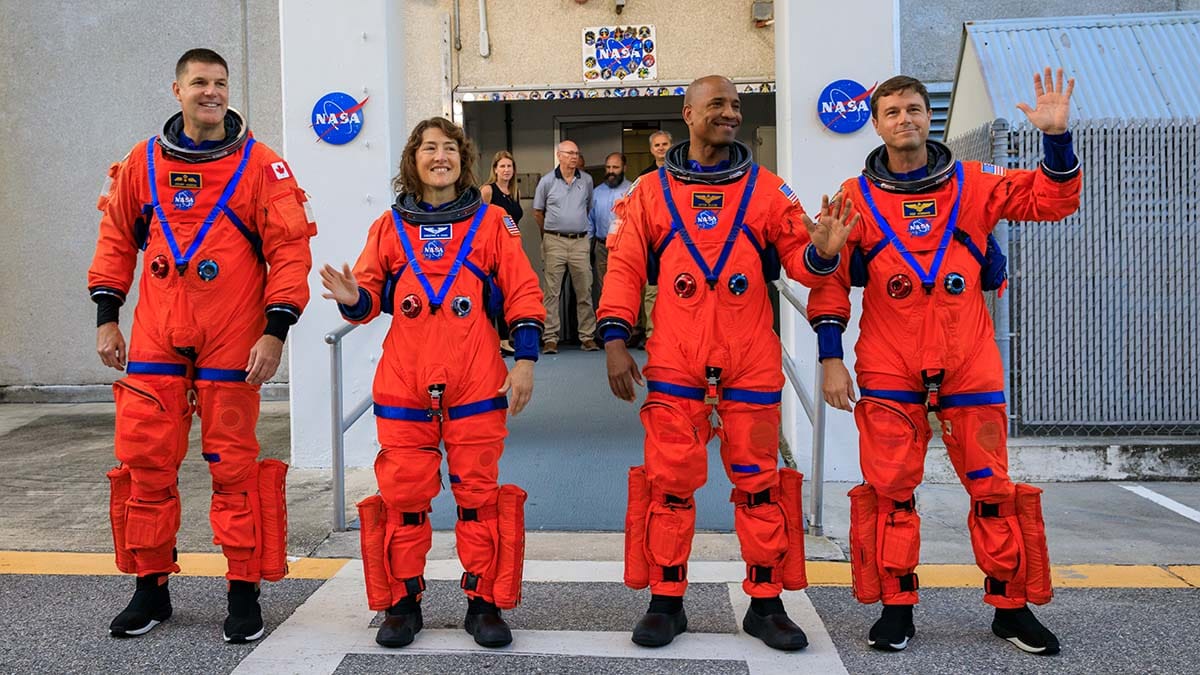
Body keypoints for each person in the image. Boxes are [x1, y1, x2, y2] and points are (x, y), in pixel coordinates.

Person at [800, 69, 1080, 656]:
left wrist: (1057, 140)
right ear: (875, 124)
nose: (905, 119)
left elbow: (1052, 200)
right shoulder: (853, 197)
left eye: (914, 109)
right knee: (891, 491)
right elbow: (828, 286)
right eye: (893, 112)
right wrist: (830, 360)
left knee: (992, 488)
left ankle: (1011, 607)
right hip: (888, 362)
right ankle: (897, 607)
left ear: (929, 117)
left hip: (968, 359)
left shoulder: (975, 184)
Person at [597, 75, 854, 652]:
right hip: (676, 360)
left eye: (736, 106)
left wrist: (823, 251)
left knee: (760, 485)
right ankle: (666, 602)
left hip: (749, 362)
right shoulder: (646, 193)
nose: (730, 114)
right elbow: (624, 269)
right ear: (687, 113)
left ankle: (766, 605)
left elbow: (802, 266)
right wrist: (615, 340)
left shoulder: (767, 190)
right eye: (718, 104)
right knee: (669, 486)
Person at [89, 48, 316, 642]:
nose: (210, 92)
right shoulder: (141, 163)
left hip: (233, 341)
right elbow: (116, 239)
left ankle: (243, 592)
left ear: (228, 90)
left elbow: (290, 254)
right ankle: (149, 590)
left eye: (219, 83)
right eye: (198, 83)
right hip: (157, 337)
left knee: (234, 468)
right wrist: (107, 318)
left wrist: (276, 331)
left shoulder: (263, 166)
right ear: (177, 90)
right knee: (145, 466)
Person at [320, 117, 545, 650]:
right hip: (405, 383)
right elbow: (368, 301)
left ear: (462, 159)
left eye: (448, 148)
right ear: (412, 160)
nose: (438, 156)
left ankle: (483, 603)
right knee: (404, 500)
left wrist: (527, 361)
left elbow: (523, 294)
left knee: (478, 499)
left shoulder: (492, 224)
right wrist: (353, 295)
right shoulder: (388, 227)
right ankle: (402, 603)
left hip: (475, 381)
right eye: (428, 148)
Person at [533, 140, 598, 353]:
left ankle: (587, 337)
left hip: (580, 241)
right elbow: (538, 213)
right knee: (552, 292)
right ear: (559, 155)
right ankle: (550, 338)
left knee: (584, 291)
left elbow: (588, 207)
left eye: (576, 153)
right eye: (569, 153)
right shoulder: (547, 182)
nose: (573, 157)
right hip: (554, 241)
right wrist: (549, 235)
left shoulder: (587, 180)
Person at [630, 130, 672, 346]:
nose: (661, 148)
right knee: (652, 291)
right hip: (653, 243)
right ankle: (652, 335)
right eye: (657, 145)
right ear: (651, 149)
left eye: (665, 144)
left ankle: (674, 334)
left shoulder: (683, 174)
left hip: (679, 241)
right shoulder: (643, 179)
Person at [481, 151, 525, 355]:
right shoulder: (487, 191)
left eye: (509, 166)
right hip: (491, 250)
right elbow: (478, 222)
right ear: (495, 169)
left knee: (508, 294)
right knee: (492, 294)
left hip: (511, 249)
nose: (506, 170)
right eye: (503, 166)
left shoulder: (514, 191)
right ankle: (489, 339)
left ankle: (505, 338)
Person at [589, 152, 633, 295]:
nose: (611, 172)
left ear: (624, 168)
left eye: (615, 167)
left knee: (625, 285)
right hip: (602, 247)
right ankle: (605, 317)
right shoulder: (596, 192)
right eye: (608, 167)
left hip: (624, 247)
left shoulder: (633, 190)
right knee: (603, 288)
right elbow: (591, 222)